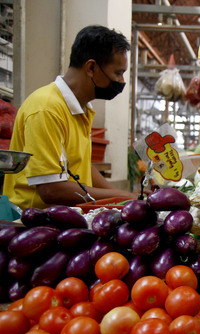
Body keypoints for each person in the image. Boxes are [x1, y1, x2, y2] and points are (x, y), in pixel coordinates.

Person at [4, 25, 138, 209]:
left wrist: (125, 197)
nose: (121, 82)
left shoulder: (81, 109)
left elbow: (80, 166)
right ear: (91, 67)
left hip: (65, 218)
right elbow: (51, 189)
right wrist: (121, 195)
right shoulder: (46, 109)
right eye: (118, 73)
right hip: (34, 224)